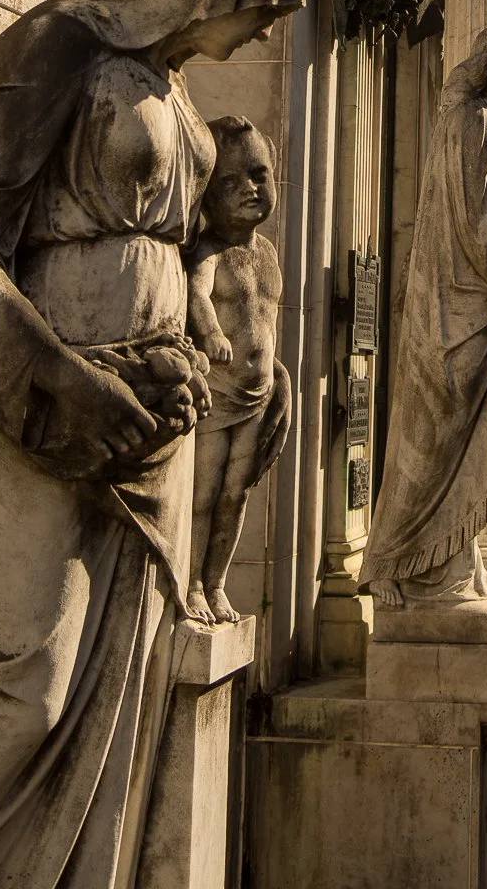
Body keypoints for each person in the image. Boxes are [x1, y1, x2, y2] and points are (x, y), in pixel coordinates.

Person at [0, 0, 303, 889]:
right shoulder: (58, 46)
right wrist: (59, 378)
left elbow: (184, 263)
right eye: (260, 2)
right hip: (39, 412)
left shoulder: (177, 91)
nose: (258, 31)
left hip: (149, 437)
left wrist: (190, 356)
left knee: (123, 694)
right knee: (19, 698)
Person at [360, 24, 487, 605]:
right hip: (467, 310)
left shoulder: (472, 119)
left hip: (469, 308)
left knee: (468, 445)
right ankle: (405, 568)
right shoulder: (479, 124)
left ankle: (459, 567)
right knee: (442, 440)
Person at [186, 117, 291, 625]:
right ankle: (189, 582)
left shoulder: (267, 254)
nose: (250, 188)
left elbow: (268, 320)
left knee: (237, 492)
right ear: (206, 196)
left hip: (258, 392)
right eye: (230, 182)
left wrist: (277, 374)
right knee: (203, 492)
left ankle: (217, 581)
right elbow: (197, 294)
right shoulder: (209, 251)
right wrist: (211, 335)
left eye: (259, 174)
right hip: (220, 393)